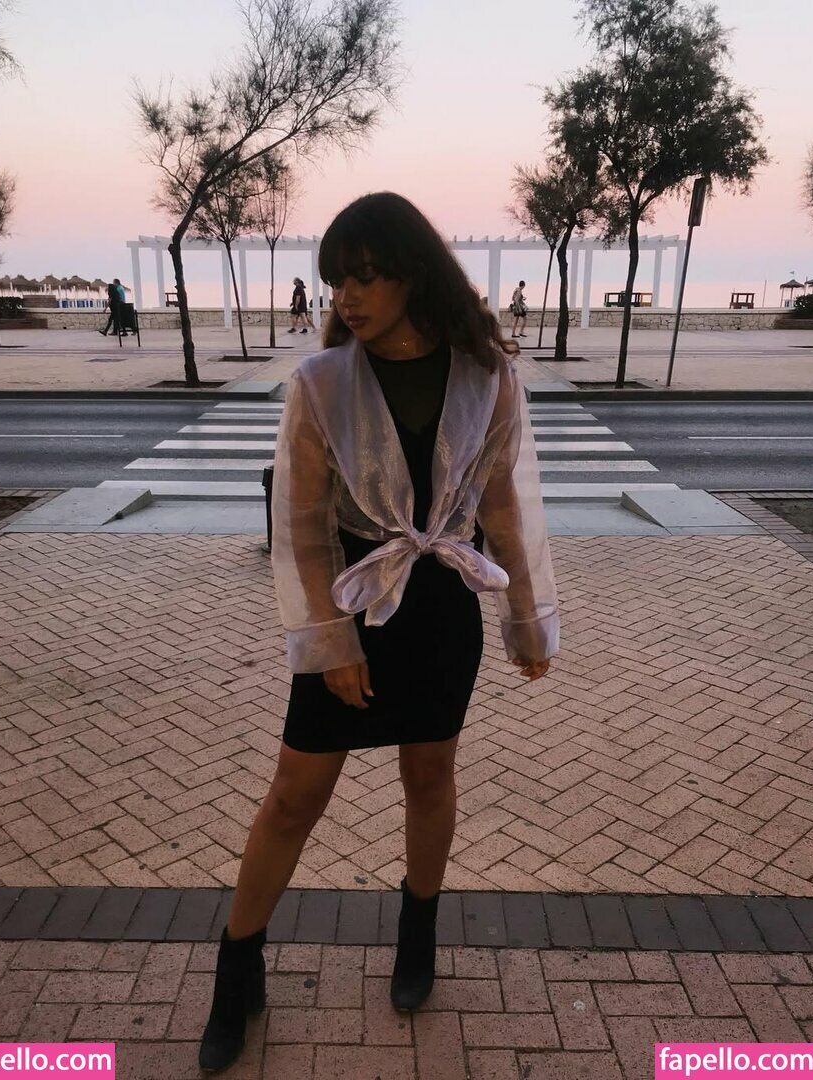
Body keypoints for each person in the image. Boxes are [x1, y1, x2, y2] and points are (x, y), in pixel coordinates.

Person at [198, 192, 560, 1073]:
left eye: (365, 276)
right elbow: (301, 524)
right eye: (338, 280)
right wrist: (331, 641)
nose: (348, 297)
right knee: (295, 793)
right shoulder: (322, 382)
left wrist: (525, 617)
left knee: (429, 776)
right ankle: (236, 969)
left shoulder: (487, 375)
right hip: (356, 600)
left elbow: (502, 504)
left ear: (413, 275)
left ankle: (417, 933)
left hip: (440, 610)